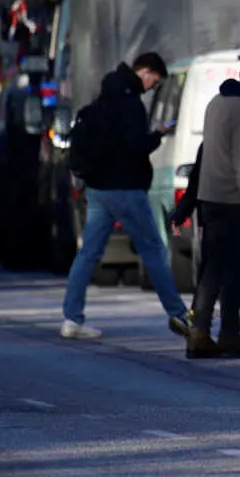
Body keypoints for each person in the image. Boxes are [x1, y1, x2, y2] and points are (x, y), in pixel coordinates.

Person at [60, 54, 190, 340]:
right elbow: (135, 147)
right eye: (153, 82)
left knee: (88, 254)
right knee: (154, 250)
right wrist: (156, 134)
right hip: (126, 189)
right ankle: (179, 314)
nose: (151, 87)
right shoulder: (130, 105)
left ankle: (72, 318)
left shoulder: (105, 97)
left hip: (98, 190)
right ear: (144, 72)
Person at [187, 57, 240, 359]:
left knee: (210, 269)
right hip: (236, 200)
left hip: (209, 198)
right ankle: (229, 333)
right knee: (236, 270)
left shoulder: (215, 103)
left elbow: (209, 153)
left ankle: (198, 331)